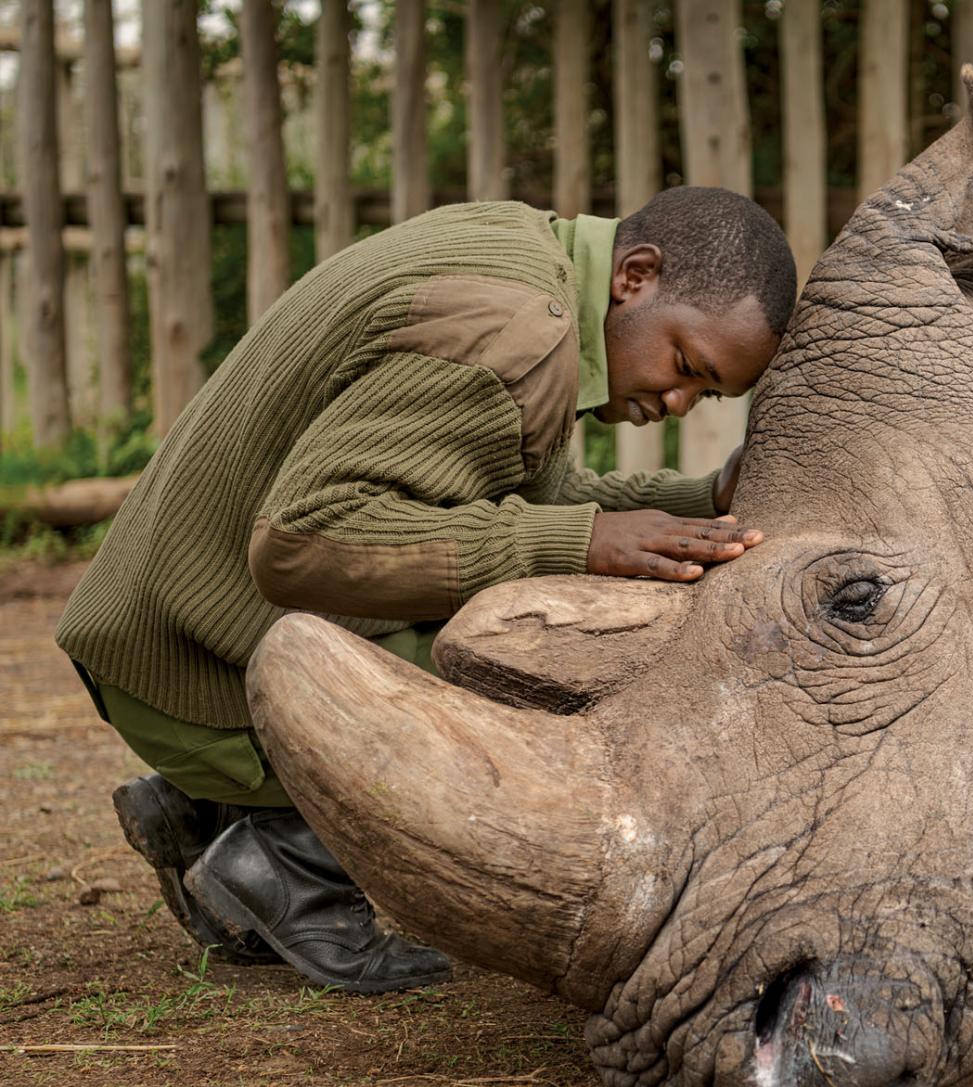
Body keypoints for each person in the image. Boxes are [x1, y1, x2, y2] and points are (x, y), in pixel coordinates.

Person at [56, 187, 798, 993]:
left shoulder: (526, 261)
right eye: (686, 364)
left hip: (161, 635)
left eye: (708, 395)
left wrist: (700, 502)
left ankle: (212, 810)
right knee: (558, 668)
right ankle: (282, 855)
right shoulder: (513, 335)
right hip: (191, 672)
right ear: (636, 276)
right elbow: (302, 542)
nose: (679, 401)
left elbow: (518, 497)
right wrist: (578, 545)